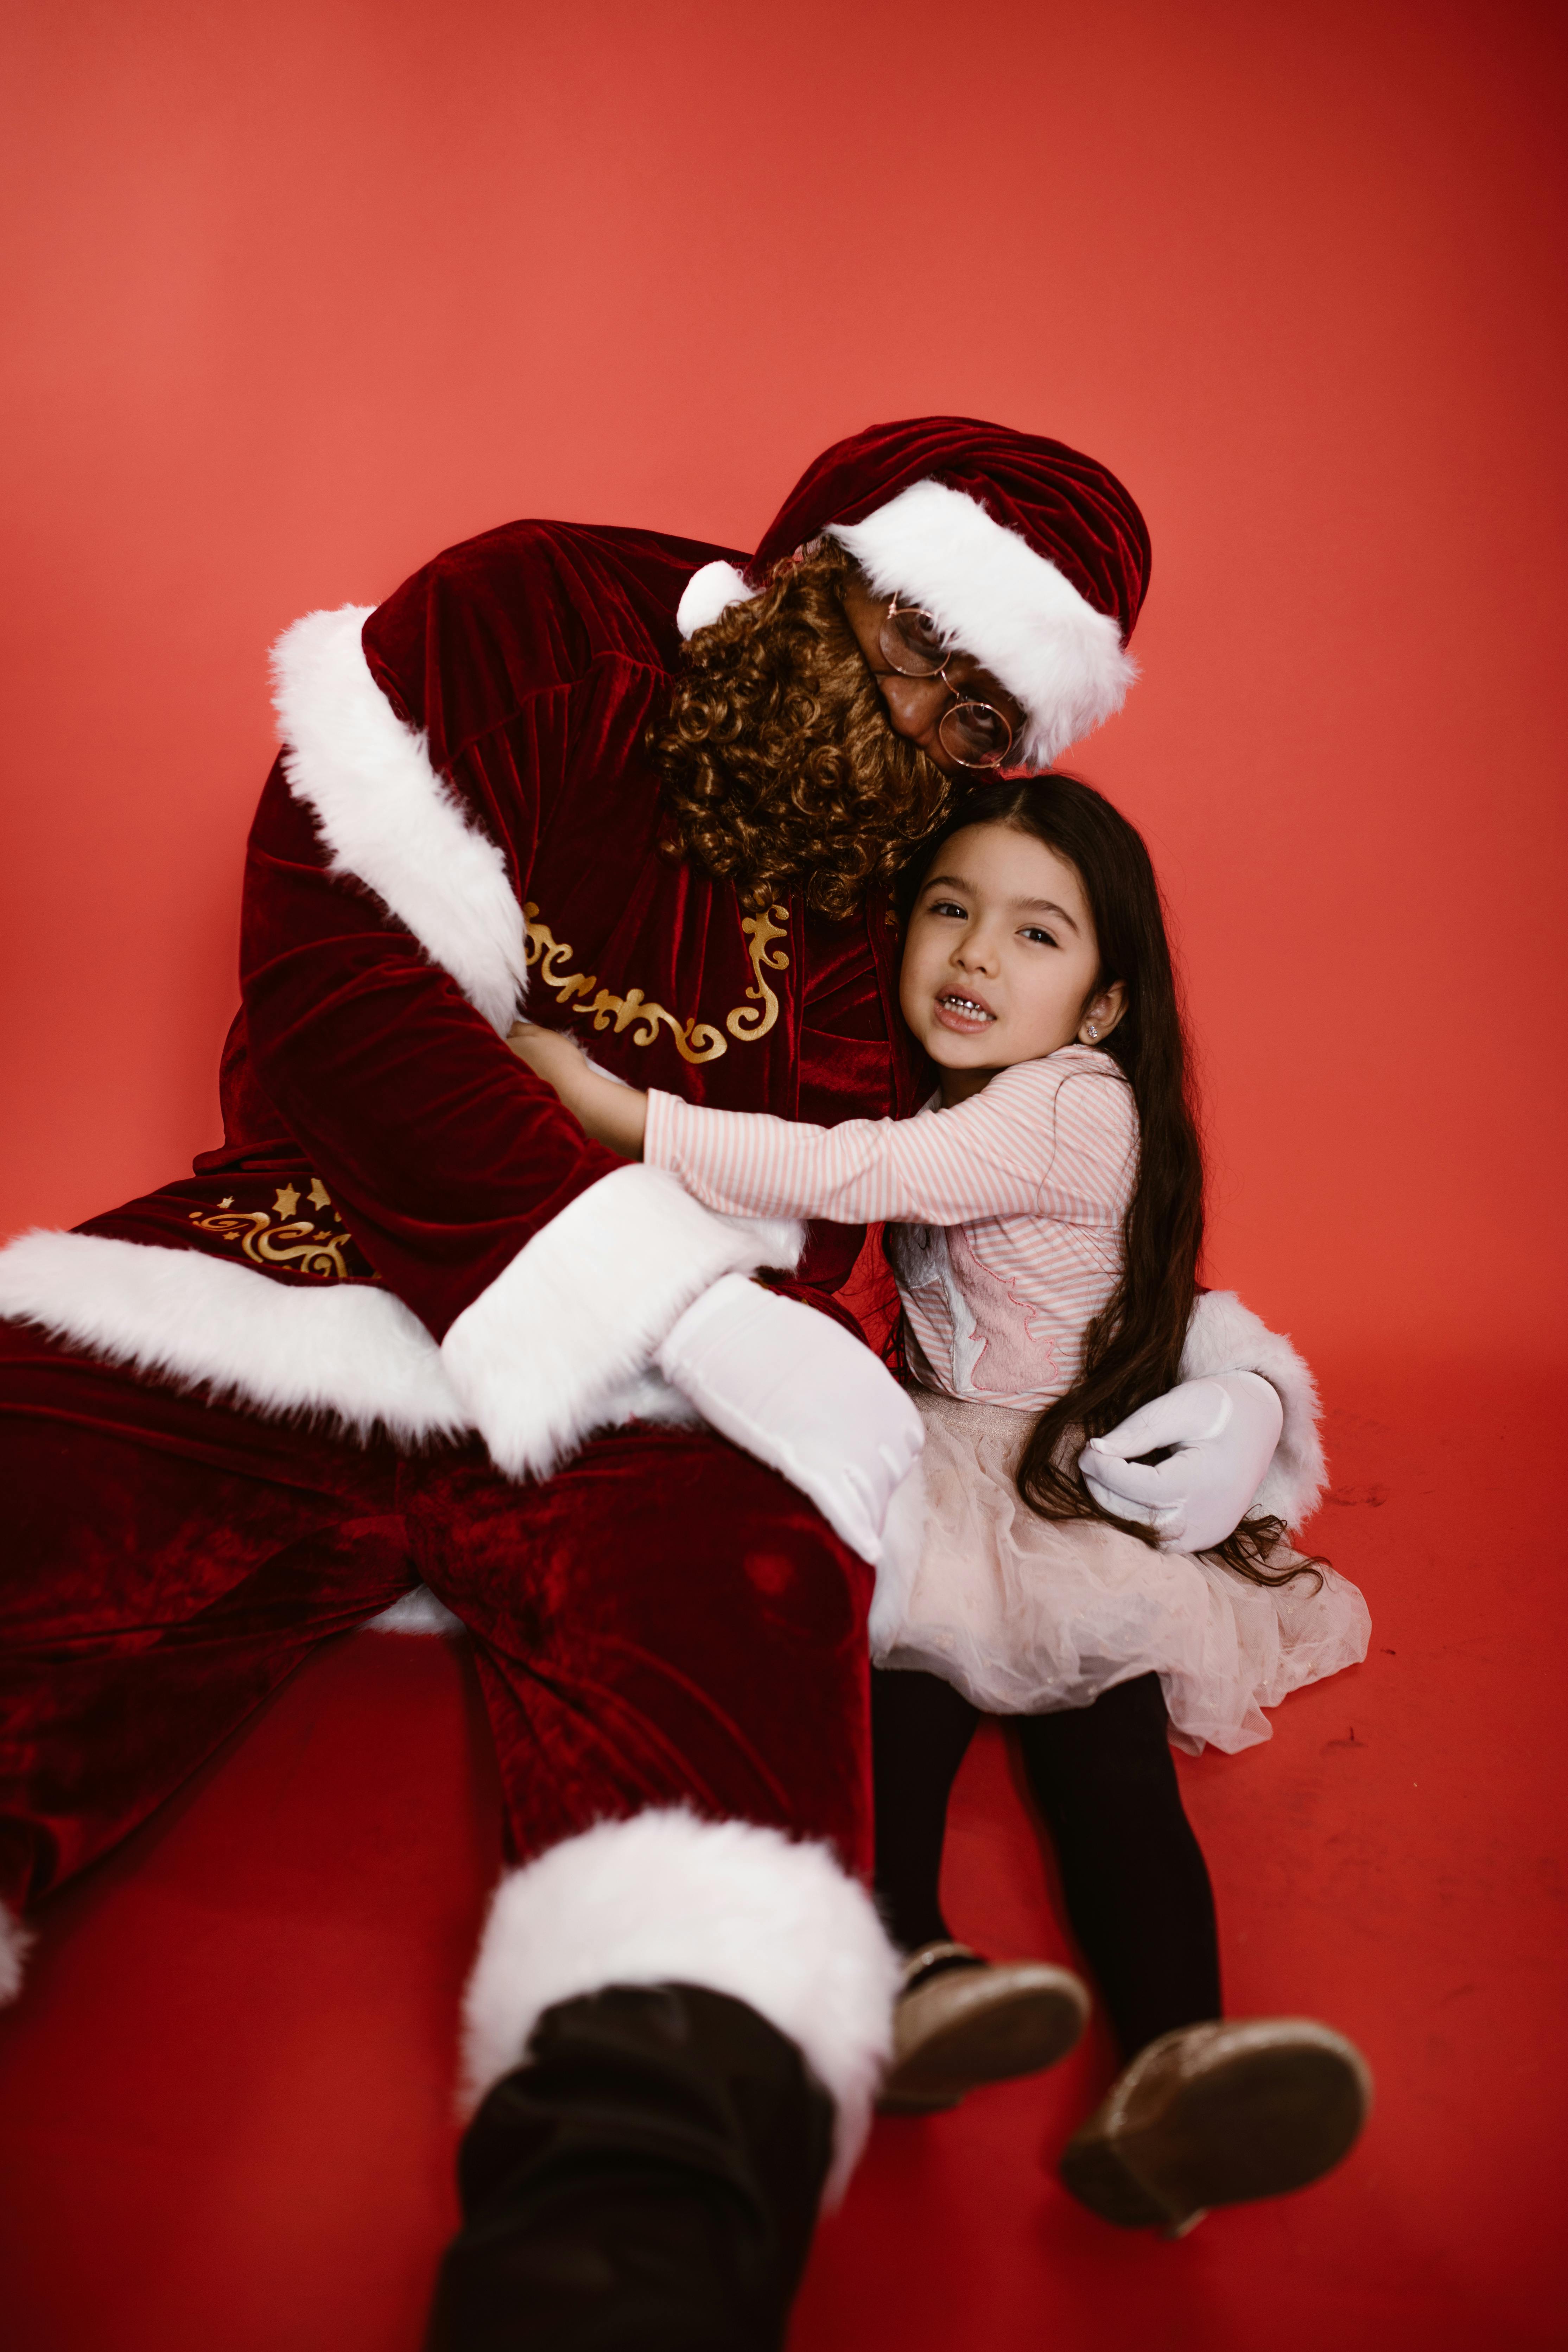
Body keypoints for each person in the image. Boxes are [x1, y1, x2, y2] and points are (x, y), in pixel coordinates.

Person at [0, 419, 1322, 2343]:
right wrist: (672, 1303)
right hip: (308, 1271)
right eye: (914, 649)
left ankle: (627, 2261)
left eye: (980, 714)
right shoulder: (531, 622)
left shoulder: (923, 865)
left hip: (692, 1419)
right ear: (815, 565)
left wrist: (1224, 1376)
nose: (925, 727)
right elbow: (339, 990)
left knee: (735, 1836)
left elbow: (1005, 1161)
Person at [510, 773, 1373, 2236]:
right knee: (895, 1720)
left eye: (1036, 936)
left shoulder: (1061, 1102)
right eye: (948, 910)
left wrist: (615, 1106)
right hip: (949, 1459)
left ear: (1102, 1006)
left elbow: (862, 1173)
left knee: (1104, 1766)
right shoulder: (978, 1084)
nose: (973, 955)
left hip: (1042, 1479)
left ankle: (1181, 2069)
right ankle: (914, 1975)